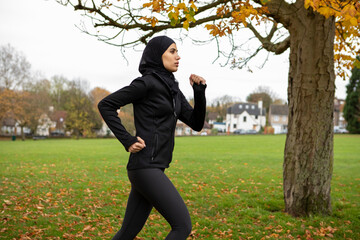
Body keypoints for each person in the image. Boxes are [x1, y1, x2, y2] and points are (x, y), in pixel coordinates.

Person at [98, 35, 207, 240]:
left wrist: (199, 93)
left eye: (177, 52)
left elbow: (196, 123)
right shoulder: (146, 83)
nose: (178, 57)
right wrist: (127, 140)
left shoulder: (172, 89)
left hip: (153, 167)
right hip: (146, 167)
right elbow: (106, 105)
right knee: (182, 226)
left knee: (127, 233)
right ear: (159, 55)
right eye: (172, 51)